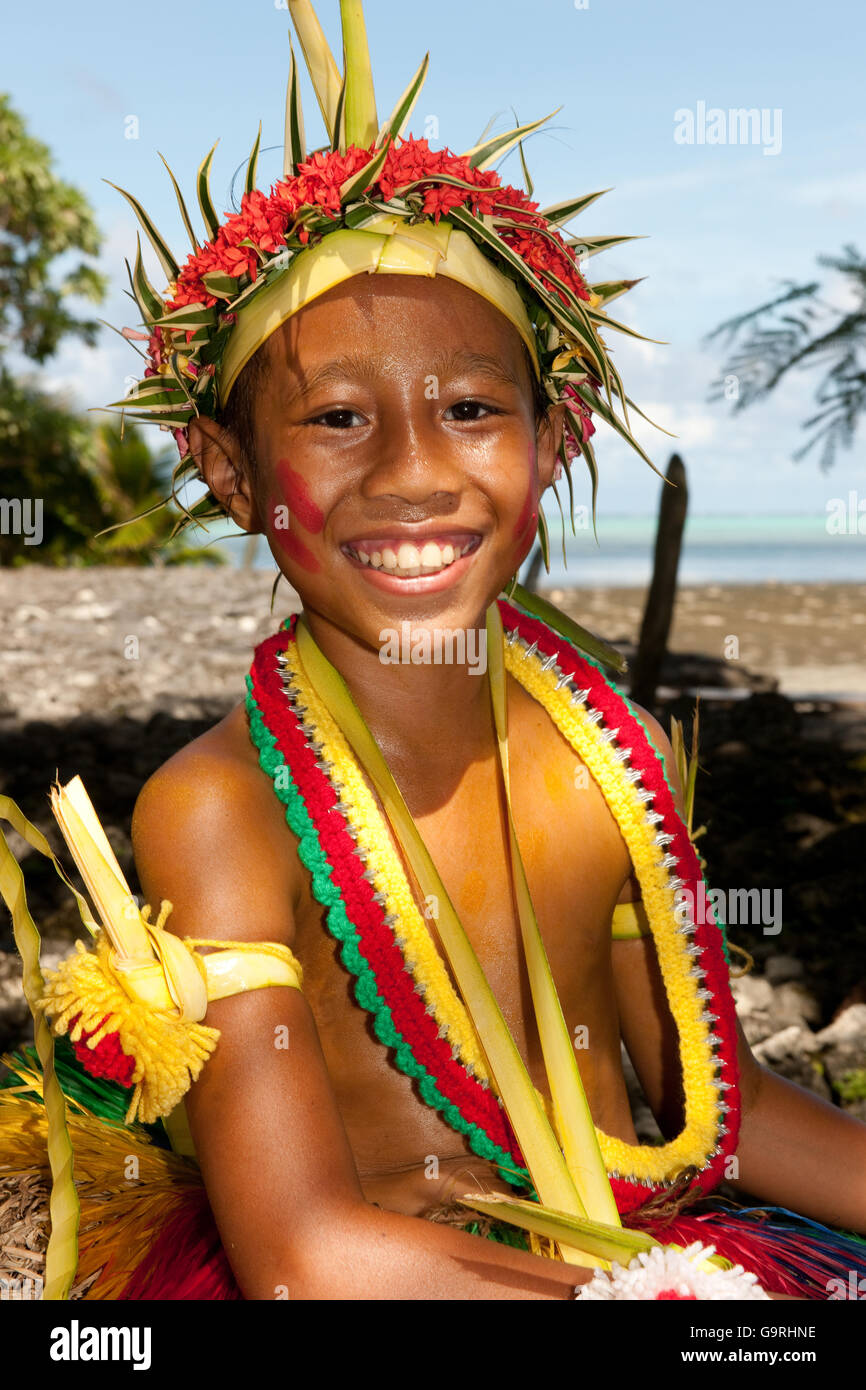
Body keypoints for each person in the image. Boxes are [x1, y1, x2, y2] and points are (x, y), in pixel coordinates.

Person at [1, 0, 865, 1302]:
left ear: (552, 441)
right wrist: (652, 1301)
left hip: (645, 1251)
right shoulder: (221, 807)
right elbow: (300, 1252)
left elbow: (719, 1106)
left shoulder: (607, 750)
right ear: (230, 470)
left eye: (468, 409)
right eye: (338, 417)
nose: (413, 473)